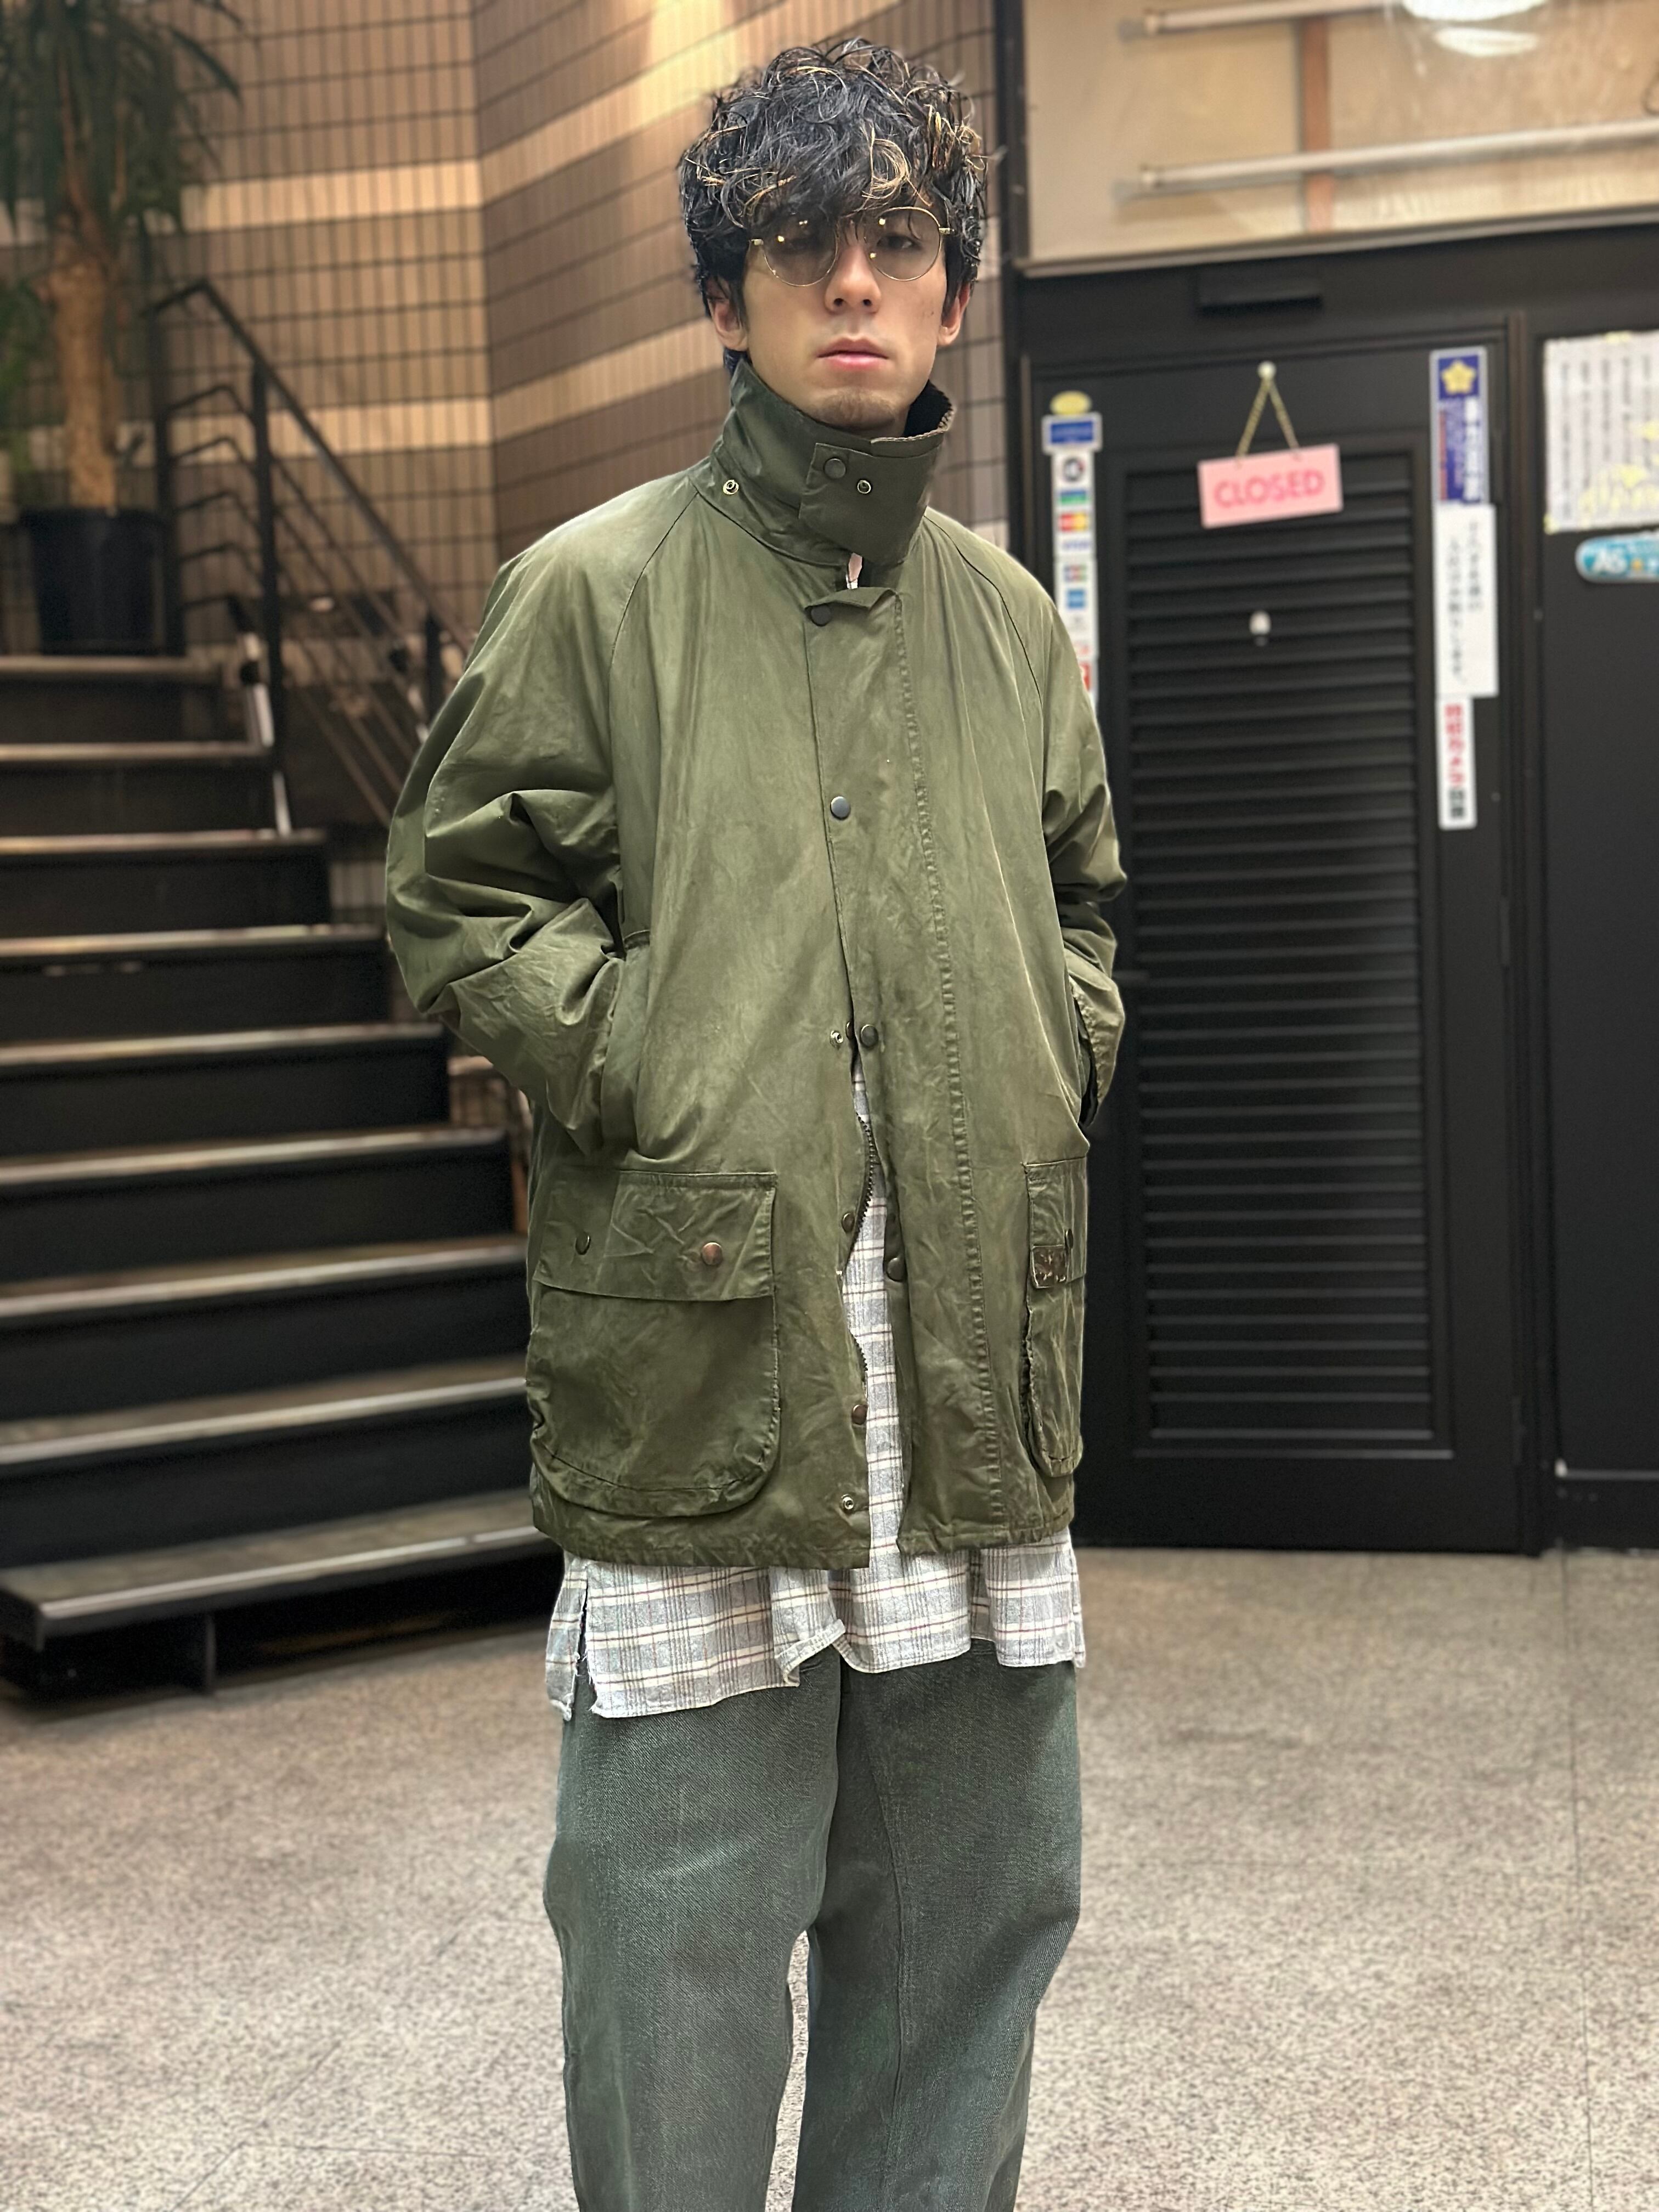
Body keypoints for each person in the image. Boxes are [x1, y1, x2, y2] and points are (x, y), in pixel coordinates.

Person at [384, 38, 1126, 2212]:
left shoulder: (1010, 625)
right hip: (706, 1370)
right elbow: (464, 889)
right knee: (675, 1961)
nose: (855, 285)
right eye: (802, 247)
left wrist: (1051, 1056)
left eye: (898, 240)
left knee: (966, 1948)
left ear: (955, 291)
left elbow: (1085, 907)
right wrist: (647, 1065)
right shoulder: (596, 589)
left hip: (971, 1387)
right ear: (728, 297)